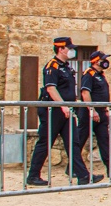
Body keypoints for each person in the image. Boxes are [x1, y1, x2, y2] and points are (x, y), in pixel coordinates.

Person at [26, 36, 93, 186]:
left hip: (66, 110)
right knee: (45, 142)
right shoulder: (52, 66)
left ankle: (83, 176)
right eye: (69, 48)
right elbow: (51, 88)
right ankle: (33, 175)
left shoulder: (66, 67)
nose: (72, 51)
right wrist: (62, 105)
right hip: (53, 110)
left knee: (73, 142)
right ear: (61, 49)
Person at [77, 50, 111, 180]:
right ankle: (73, 167)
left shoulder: (100, 75)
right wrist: (92, 110)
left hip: (100, 113)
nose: (106, 61)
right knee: (79, 141)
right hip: (89, 114)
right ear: (96, 61)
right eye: (103, 59)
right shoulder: (89, 74)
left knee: (104, 141)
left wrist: (104, 110)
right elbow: (85, 93)